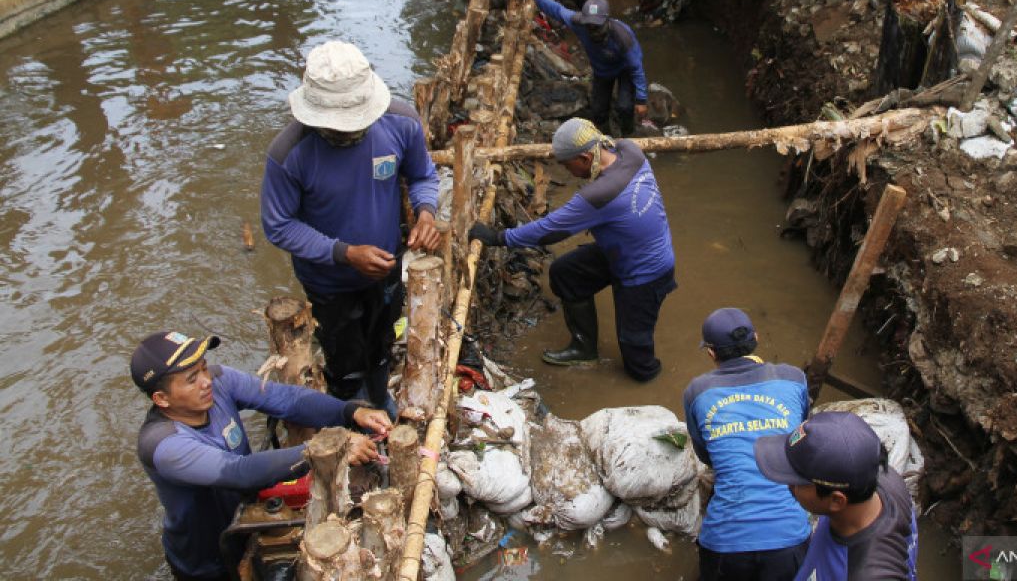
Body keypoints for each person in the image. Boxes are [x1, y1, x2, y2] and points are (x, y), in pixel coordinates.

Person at [261, 40, 441, 414]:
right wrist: (342, 253)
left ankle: (377, 395)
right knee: (342, 355)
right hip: (328, 283)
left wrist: (426, 212)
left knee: (382, 339)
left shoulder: (401, 123)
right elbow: (279, 225)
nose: (347, 134)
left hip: (386, 269)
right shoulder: (289, 154)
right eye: (337, 127)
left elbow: (423, 174)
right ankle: (349, 408)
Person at [132, 330, 392, 581]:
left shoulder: (220, 379)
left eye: (203, 367)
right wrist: (328, 448)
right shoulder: (163, 445)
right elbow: (239, 471)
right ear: (162, 399)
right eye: (191, 379)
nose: (205, 380)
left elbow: (288, 400)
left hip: (251, 518)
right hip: (208, 559)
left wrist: (350, 412)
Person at [468, 117, 675, 381]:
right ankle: (583, 348)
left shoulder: (600, 194)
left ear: (586, 158)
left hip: (646, 271)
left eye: (568, 164)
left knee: (636, 356)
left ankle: (653, 382)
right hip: (620, 250)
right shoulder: (628, 150)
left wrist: (499, 237)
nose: (566, 170)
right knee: (567, 273)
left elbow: (548, 231)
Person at [683, 308, 813, 581]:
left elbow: (706, 455)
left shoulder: (698, 391)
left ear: (711, 353)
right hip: (789, 537)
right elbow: (799, 440)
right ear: (756, 337)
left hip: (725, 541)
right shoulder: (793, 377)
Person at [754, 411, 919, 581]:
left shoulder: (866, 573)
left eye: (796, 482)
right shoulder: (884, 478)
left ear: (836, 500)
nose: (788, 485)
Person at [511, 0, 649, 136]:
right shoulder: (578, 23)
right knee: (598, 110)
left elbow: (636, 68)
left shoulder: (623, 37)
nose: (593, 31)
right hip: (602, 71)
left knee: (624, 106)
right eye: (589, 26)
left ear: (606, 22)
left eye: (597, 27)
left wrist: (641, 100)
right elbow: (557, 10)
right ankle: (606, 140)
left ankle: (628, 136)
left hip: (624, 69)